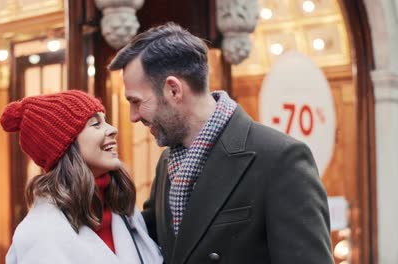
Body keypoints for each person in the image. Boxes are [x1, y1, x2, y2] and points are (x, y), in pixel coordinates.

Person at [108, 22, 334, 264]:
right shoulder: (168, 163)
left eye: (136, 101)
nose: (133, 116)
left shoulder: (281, 159)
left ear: (173, 90)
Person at [1, 90, 163, 264]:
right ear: (66, 146)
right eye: (95, 124)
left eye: (105, 121)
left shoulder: (124, 212)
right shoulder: (38, 234)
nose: (112, 129)